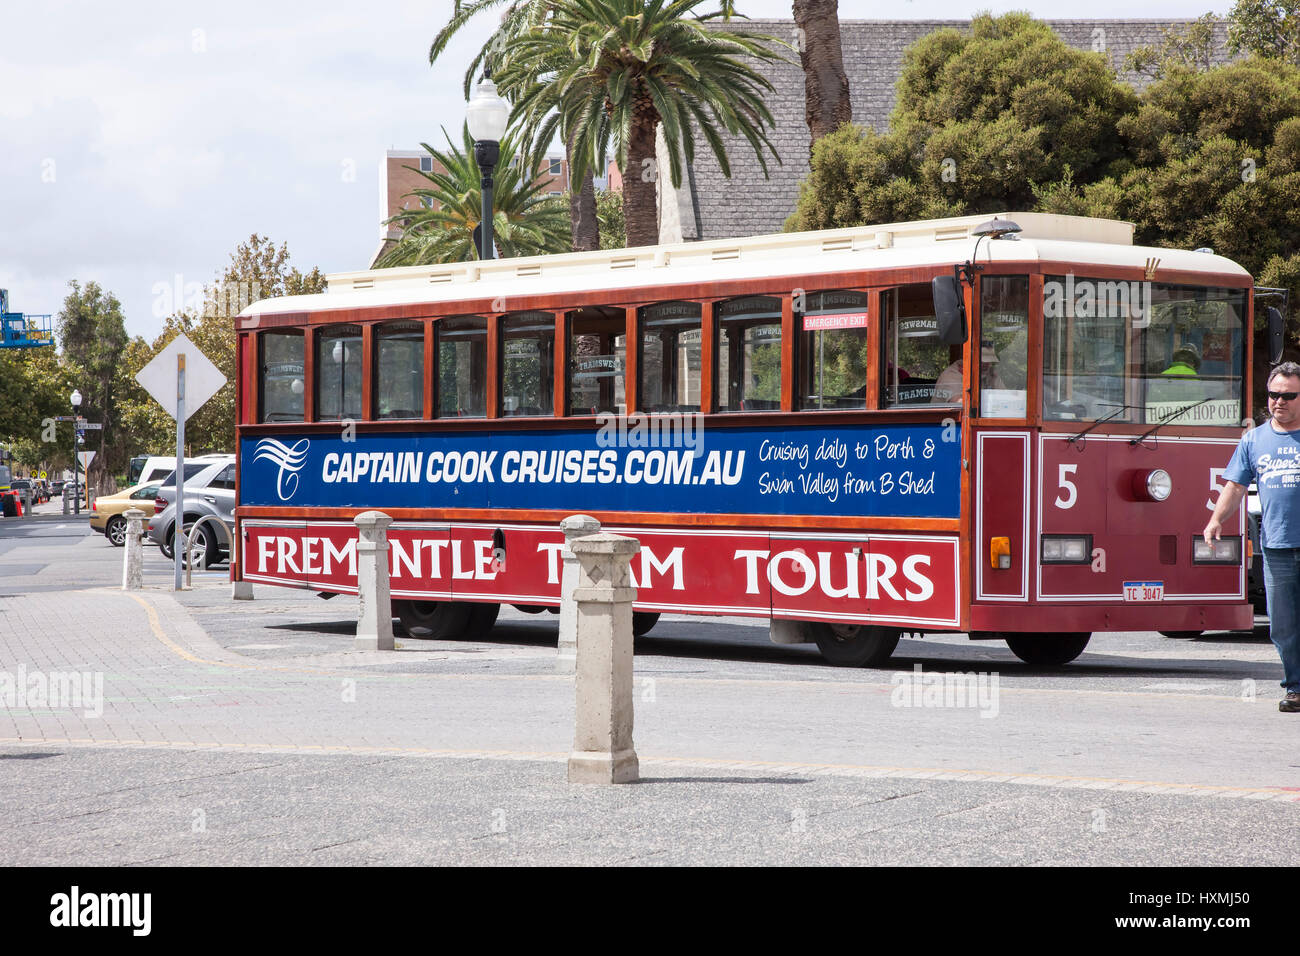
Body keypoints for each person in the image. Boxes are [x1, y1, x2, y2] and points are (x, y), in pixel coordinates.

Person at [1205, 361, 1300, 712]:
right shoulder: (1254, 439)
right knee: (1283, 628)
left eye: (1289, 395)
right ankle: (1295, 688)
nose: (1280, 401)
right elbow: (1235, 486)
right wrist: (1216, 520)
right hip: (1276, 548)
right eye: (1274, 394)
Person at [933, 341, 1004, 403]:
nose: (986, 364)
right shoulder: (951, 375)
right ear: (969, 357)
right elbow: (961, 403)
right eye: (982, 360)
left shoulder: (989, 373)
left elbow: (1005, 397)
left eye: (989, 360)